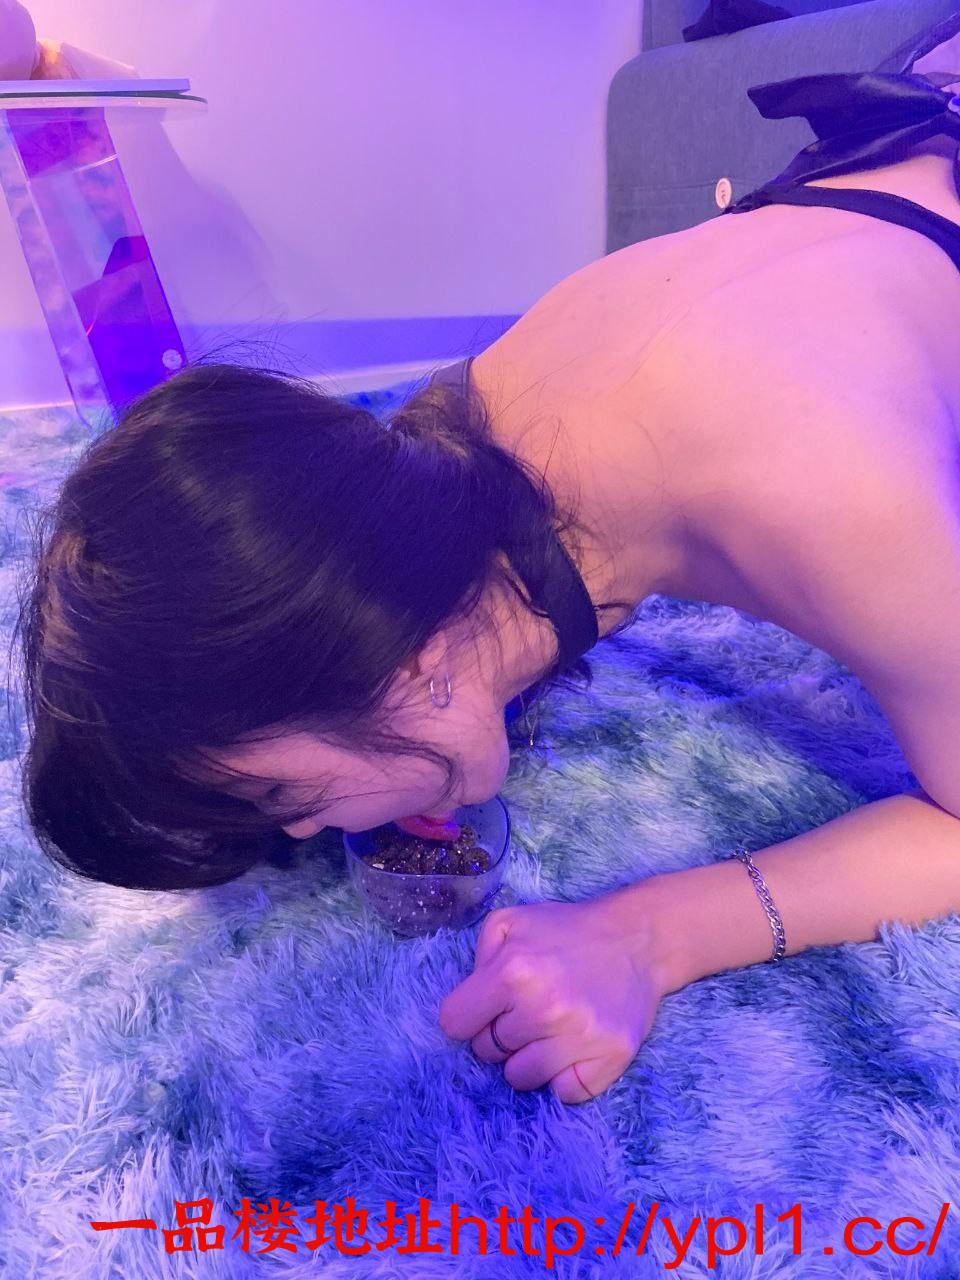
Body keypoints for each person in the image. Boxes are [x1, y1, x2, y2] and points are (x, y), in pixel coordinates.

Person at [15, 11, 960, 1103]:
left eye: (283, 797)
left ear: (410, 662)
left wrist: (650, 933)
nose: (310, 830)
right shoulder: (452, 437)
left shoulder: (822, 492)